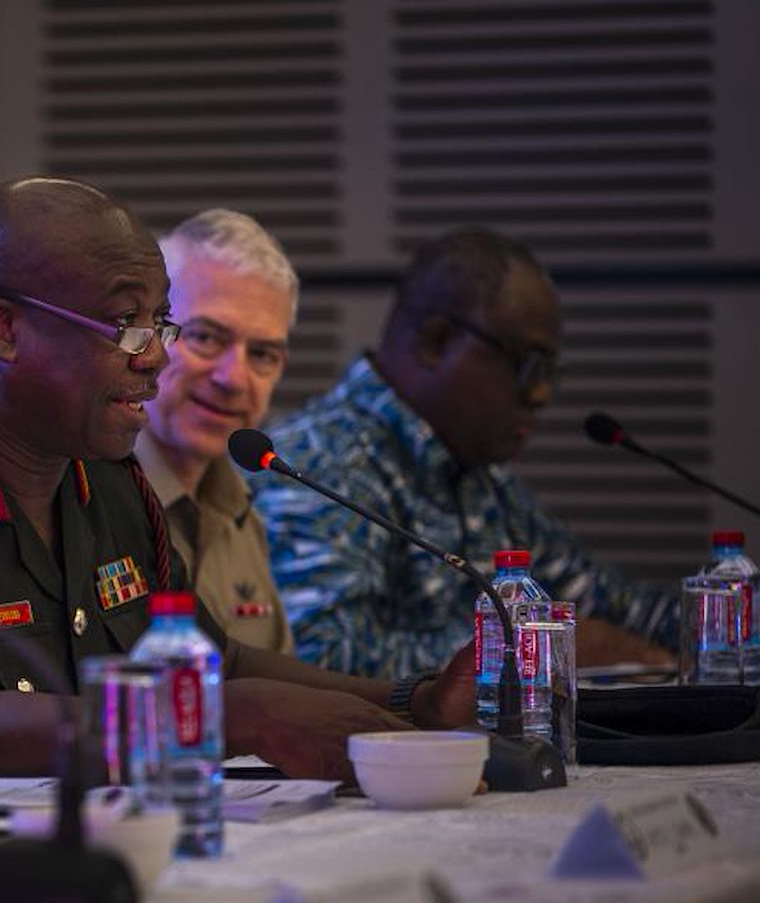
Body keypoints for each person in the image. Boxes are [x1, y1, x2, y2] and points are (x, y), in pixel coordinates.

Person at [0, 177, 474, 792]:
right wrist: (227, 719)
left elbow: (217, 662)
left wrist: (410, 703)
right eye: (126, 323)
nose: (155, 357)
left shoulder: (107, 477)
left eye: (160, 322)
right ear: (5, 330)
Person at [253, 227, 679, 680]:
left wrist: (721, 616)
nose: (540, 394)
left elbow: (609, 606)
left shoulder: (478, 474)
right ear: (436, 342)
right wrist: (551, 643)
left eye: (551, 372)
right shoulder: (320, 464)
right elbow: (326, 660)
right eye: (527, 365)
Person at [133, 209, 297, 655]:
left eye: (262, 353)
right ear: (150, 336)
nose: (234, 378)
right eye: (206, 338)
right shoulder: (84, 496)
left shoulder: (241, 511)